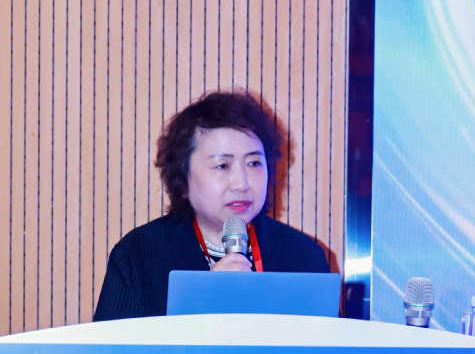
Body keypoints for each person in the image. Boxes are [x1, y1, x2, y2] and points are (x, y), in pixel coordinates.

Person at [93, 90, 331, 320]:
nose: (241, 184)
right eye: (222, 166)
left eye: (254, 163)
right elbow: (111, 347)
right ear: (182, 178)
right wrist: (202, 302)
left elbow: (330, 345)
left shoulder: (303, 256)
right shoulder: (138, 255)